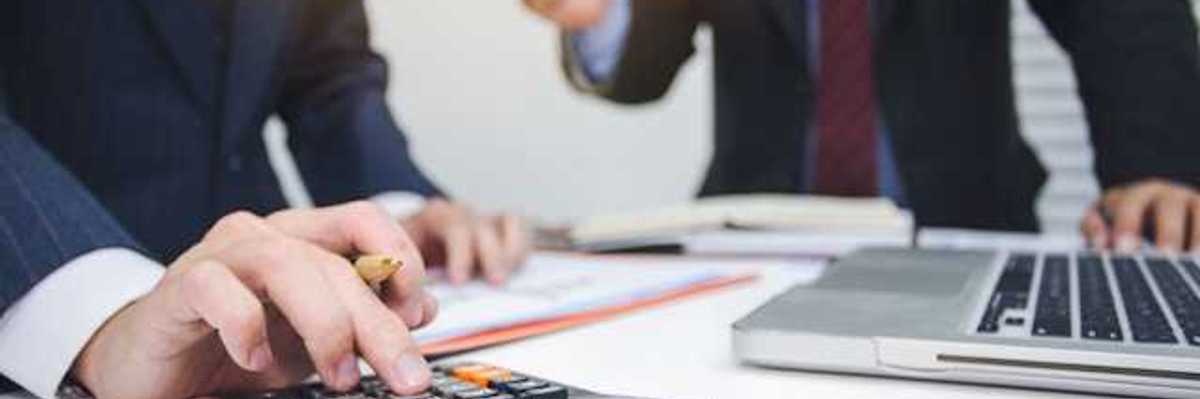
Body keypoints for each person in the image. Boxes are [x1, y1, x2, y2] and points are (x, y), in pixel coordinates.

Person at [0, 0, 527, 397]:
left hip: (276, 318)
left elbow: (327, 66)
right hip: (43, 294)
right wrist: (100, 315)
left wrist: (397, 211)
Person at [524, 0, 1200, 252]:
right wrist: (598, 15)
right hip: (754, 244)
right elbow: (650, 56)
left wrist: (1155, 166)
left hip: (962, 229)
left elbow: (1123, 13)